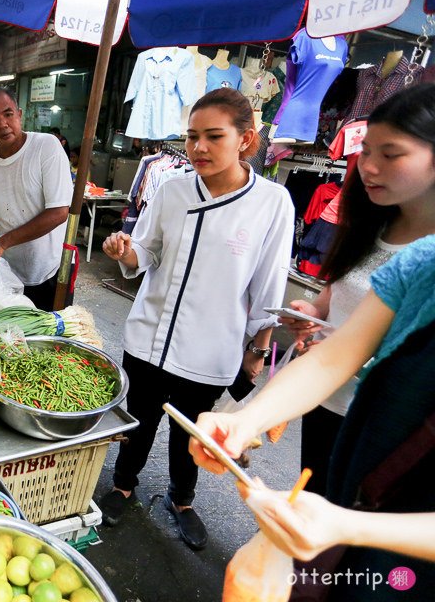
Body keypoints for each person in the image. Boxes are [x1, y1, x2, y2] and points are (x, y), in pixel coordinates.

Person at [99, 88, 295, 550]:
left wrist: (257, 350)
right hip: (149, 335)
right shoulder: (172, 190)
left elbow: (269, 287)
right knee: (137, 421)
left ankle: (182, 499)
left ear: (245, 140)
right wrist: (126, 251)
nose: (199, 148)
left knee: (195, 433)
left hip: (212, 345)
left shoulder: (272, 203)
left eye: (213, 136)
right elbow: (146, 249)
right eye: (191, 137)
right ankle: (124, 485)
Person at [190, 234, 435, 601]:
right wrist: (246, 421)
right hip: (358, 485)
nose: (370, 172)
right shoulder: (422, 260)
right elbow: (333, 357)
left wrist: (351, 526)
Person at [278, 83, 435, 496]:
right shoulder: (370, 223)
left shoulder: (425, 258)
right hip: (324, 397)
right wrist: (313, 314)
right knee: (311, 498)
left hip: (386, 427)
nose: (368, 167)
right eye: (366, 152)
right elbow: (333, 306)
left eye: (391, 154)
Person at [0, 86, 73, 311]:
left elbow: (59, 213)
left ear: (19, 114)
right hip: (6, 270)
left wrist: (0, 243)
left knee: (44, 337)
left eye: (8, 114)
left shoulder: (46, 147)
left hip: (48, 272)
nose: (2, 124)